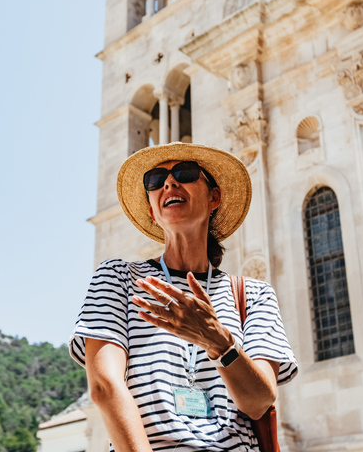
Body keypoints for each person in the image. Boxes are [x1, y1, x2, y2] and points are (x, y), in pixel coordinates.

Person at [70, 142, 298, 451]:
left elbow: (259, 402)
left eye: (185, 173)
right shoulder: (119, 278)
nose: (168, 183)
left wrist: (218, 340)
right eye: (155, 180)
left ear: (213, 197)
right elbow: (104, 387)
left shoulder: (254, 296)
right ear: (152, 210)